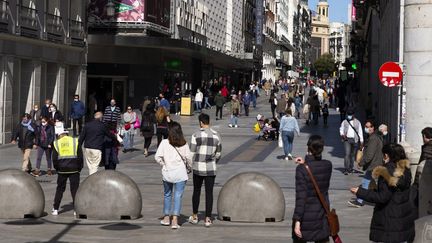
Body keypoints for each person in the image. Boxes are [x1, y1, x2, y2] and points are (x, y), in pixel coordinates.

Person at [350, 143, 415, 243]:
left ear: (386, 155)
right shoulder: (404, 169)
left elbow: (382, 197)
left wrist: (360, 192)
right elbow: (394, 192)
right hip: (401, 218)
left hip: (389, 220)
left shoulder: (386, 172)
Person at [293, 135, 332, 243]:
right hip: (322, 216)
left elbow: (301, 198)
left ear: (308, 148)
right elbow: (316, 170)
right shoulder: (328, 165)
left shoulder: (301, 170)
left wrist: (297, 221)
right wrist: (305, 163)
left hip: (306, 218)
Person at [155, 121, 192, 229]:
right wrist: (189, 167)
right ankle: (175, 220)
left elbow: (157, 157)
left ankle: (166, 217)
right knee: (178, 196)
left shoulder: (164, 143)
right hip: (180, 173)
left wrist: (164, 164)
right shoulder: (184, 143)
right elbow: (189, 158)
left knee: (167, 194)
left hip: (167, 173)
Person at [188, 113, 222, 227]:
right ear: (209, 122)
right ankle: (208, 218)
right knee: (209, 193)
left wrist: (189, 165)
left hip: (198, 167)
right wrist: (212, 161)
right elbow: (218, 154)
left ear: (201, 123)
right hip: (211, 168)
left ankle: (194, 216)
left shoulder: (195, 135)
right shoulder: (217, 135)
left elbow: (191, 153)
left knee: (196, 191)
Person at [348, 120, 383, 208]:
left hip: (374, 164)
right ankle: (365, 200)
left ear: (373, 127)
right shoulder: (375, 137)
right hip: (375, 164)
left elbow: (369, 154)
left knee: (366, 182)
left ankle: (360, 201)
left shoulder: (373, 138)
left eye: (369, 127)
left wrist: (361, 163)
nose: (367, 129)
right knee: (368, 182)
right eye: (366, 127)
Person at [51, 129, 83, 216]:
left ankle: (56, 209)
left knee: (60, 189)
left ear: (59, 134)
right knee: (75, 189)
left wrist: (57, 168)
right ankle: (76, 209)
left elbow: (54, 158)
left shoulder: (57, 143)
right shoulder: (75, 141)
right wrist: (79, 167)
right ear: (67, 134)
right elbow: (80, 156)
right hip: (74, 169)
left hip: (62, 170)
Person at [340, 109, 364, 175]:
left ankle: (351, 168)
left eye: (350, 115)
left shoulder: (358, 122)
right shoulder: (344, 121)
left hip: (355, 140)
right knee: (347, 154)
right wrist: (342, 134)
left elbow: (360, 132)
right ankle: (346, 169)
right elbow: (341, 129)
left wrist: (361, 142)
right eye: (348, 115)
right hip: (347, 140)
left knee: (352, 155)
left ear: (353, 115)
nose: (349, 116)